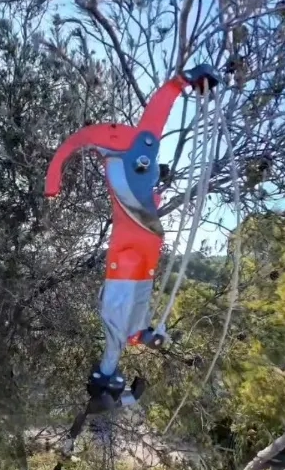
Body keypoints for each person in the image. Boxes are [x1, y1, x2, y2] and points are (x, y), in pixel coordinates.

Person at [45, 64, 218, 404]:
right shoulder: (134, 145)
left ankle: (120, 373)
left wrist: (184, 82)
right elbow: (155, 114)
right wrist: (181, 83)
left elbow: (76, 150)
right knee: (117, 322)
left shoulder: (137, 151)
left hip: (142, 253)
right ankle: (109, 383)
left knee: (128, 317)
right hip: (131, 253)